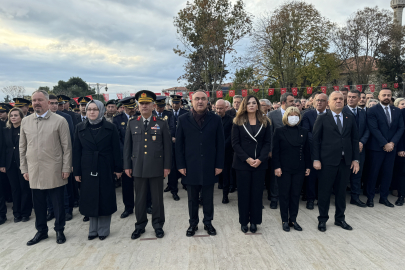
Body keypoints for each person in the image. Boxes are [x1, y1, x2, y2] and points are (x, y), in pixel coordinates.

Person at [20, 90, 72, 245]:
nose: (36, 102)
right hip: (34, 170)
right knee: (39, 204)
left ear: (48, 102)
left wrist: (66, 167)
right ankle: (41, 231)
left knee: (58, 204)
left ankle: (59, 230)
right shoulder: (26, 121)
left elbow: (67, 147)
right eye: (34, 100)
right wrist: (24, 169)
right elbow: (22, 147)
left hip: (54, 169)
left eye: (40, 100)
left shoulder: (59, 121)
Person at [176, 90, 225, 237]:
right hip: (190, 165)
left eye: (203, 99)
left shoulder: (215, 119)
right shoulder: (183, 119)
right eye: (197, 99)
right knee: (192, 198)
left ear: (207, 101)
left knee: (209, 197)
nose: (200, 101)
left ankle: (208, 222)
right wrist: (180, 164)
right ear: (191, 101)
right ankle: (193, 223)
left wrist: (219, 164)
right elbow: (179, 145)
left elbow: (220, 144)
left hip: (210, 164)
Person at [124, 90, 172, 239]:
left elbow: (167, 147)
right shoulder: (132, 123)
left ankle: (158, 225)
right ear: (138, 106)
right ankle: (140, 225)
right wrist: (127, 166)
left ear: (153, 106)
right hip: (137, 167)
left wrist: (167, 166)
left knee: (157, 199)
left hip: (157, 167)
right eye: (141, 103)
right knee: (139, 199)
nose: (144, 106)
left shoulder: (161, 123)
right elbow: (127, 147)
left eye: (147, 103)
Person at [73, 100, 122, 241]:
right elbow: (76, 151)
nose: (92, 112)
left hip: (105, 166)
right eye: (89, 109)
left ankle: (103, 229)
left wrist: (118, 168)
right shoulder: (79, 127)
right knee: (90, 197)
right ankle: (92, 229)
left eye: (95, 109)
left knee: (104, 197)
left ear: (101, 111)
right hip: (87, 167)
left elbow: (116, 150)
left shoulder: (110, 127)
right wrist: (77, 172)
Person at [312, 91, 359, 232]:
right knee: (324, 192)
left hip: (345, 162)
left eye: (341, 99)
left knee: (341, 192)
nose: (339, 101)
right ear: (329, 102)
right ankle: (322, 220)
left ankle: (340, 219)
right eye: (335, 99)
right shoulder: (322, 118)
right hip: (327, 162)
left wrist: (356, 159)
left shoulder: (350, 118)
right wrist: (316, 159)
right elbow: (315, 141)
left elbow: (354, 140)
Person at [232, 95, 271, 233]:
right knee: (243, 194)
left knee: (256, 193)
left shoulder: (265, 121)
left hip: (259, 164)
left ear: (258, 105)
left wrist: (260, 159)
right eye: (249, 103)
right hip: (243, 164)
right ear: (245, 105)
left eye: (254, 103)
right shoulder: (238, 121)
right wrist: (247, 159)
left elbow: (267, 143)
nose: (252, 105)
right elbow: (235, 143)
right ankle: (244, 221)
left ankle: (254, 221)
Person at [272, 106, 310, 232]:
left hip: (299, 168)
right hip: (284, 168)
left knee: (295, 195)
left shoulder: (304, 131)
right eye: (290, 115)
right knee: (284, 195)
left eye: (296, 115)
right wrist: (276, 166)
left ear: (299, 117)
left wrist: (308, 166)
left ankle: (293, 219)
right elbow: (275, 152)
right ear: (286, 117)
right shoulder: (279, 131)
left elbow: (306, 151)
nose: (293, 117)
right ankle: (284, 220)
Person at [366, 88, 404, 207]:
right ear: (379, 97)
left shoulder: (397, 111)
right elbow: (374, 129)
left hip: (392, 148)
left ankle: (383, 198)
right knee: (374, 173)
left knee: (388, 173)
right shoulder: (372, 110)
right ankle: (370, 197)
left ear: (391, 97)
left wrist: (392, 143)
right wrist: (385, 143)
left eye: (389, 95)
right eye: (384, 95)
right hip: (377, 148)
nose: (386, 97)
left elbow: (401, 128)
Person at [0, 108, 32, 223]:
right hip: (10, 163)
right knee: (15, 189)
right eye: (11, 115)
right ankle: (16, 213)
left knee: (24, 188)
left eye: (16, 115)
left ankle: (25, 213)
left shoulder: (26, 129)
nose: (13, 117)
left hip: (23, 162)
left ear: (21, 117)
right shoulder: (5, 130)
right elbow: (3, 148)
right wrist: (2, 164)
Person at [48, 95, 75, 221]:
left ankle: (67, 210)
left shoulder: (65, 117)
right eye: (51, 103)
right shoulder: (39, 119)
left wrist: (71, 161)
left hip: (62, 157)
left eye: (56, 103)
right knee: (47, 187)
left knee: (64, 186)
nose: (54, 106)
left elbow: (70, 140)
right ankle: (51, 210)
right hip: (47, 159)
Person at [267, 92, 295, 209]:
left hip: (291, 152)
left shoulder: (295, 114)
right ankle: (274, 199)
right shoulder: (272, 115)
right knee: (275, 177)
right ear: (284, 102)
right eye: (291, 101)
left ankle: (287, 198)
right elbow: (269, 134)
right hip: (277, 151)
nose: (294, 103)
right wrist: (270, 150)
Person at [301, 92, 328, 209]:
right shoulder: (308, 115)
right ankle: (310, 199)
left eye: (322, 100)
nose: (319, 102)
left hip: (328, 151)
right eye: (317, 100)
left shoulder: (331, 115)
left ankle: (321, 199)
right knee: (311, 177)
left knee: (324, 178)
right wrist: (318, 142)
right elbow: (307, 132)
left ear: (327, 103)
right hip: (312, 149)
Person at [114, 96, 140, 218]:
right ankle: (128, 207)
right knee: (127, 185)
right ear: (124, 108)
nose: (132, 110)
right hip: (126, 158)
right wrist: (125, 154)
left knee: (143, 183)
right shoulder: (117, 120)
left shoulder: (140, 117)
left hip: (140, 156)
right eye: (129, 108)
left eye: (134, 107)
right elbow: (117, 140)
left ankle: (147, 205)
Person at [343, 90, 369, 207]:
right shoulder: (342, 111)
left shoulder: (363, 112)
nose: (351, 99)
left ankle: (355, 197)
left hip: (360, 148)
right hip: (346, 148)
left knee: (357, 173)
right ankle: (340, 197)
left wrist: (362, 141)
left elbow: (368, 129)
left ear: (359, 99)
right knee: (343, 174)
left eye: (354, 97)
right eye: (349, 97)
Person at [168, 94, 188, 193]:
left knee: (184, 163)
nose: (175, 105)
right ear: (171, 103)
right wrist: (171, 137)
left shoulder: (186, 113)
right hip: (170, 143)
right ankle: (172, 186)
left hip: (183, 143)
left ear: (180, 103)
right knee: (172, 166)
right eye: (174, 103)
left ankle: (185, 183)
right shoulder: (167, 114)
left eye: (177, 103)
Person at [215, 99, 233, 203]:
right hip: (214, 151)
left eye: (221, 108)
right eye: (217, 108)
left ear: (225, 108)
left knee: (226, 173)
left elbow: (231, 136)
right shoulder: (211, 119)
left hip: (226, 151)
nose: (218, 110)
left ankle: (225, 195)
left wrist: (222, 146)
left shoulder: (231, 120)